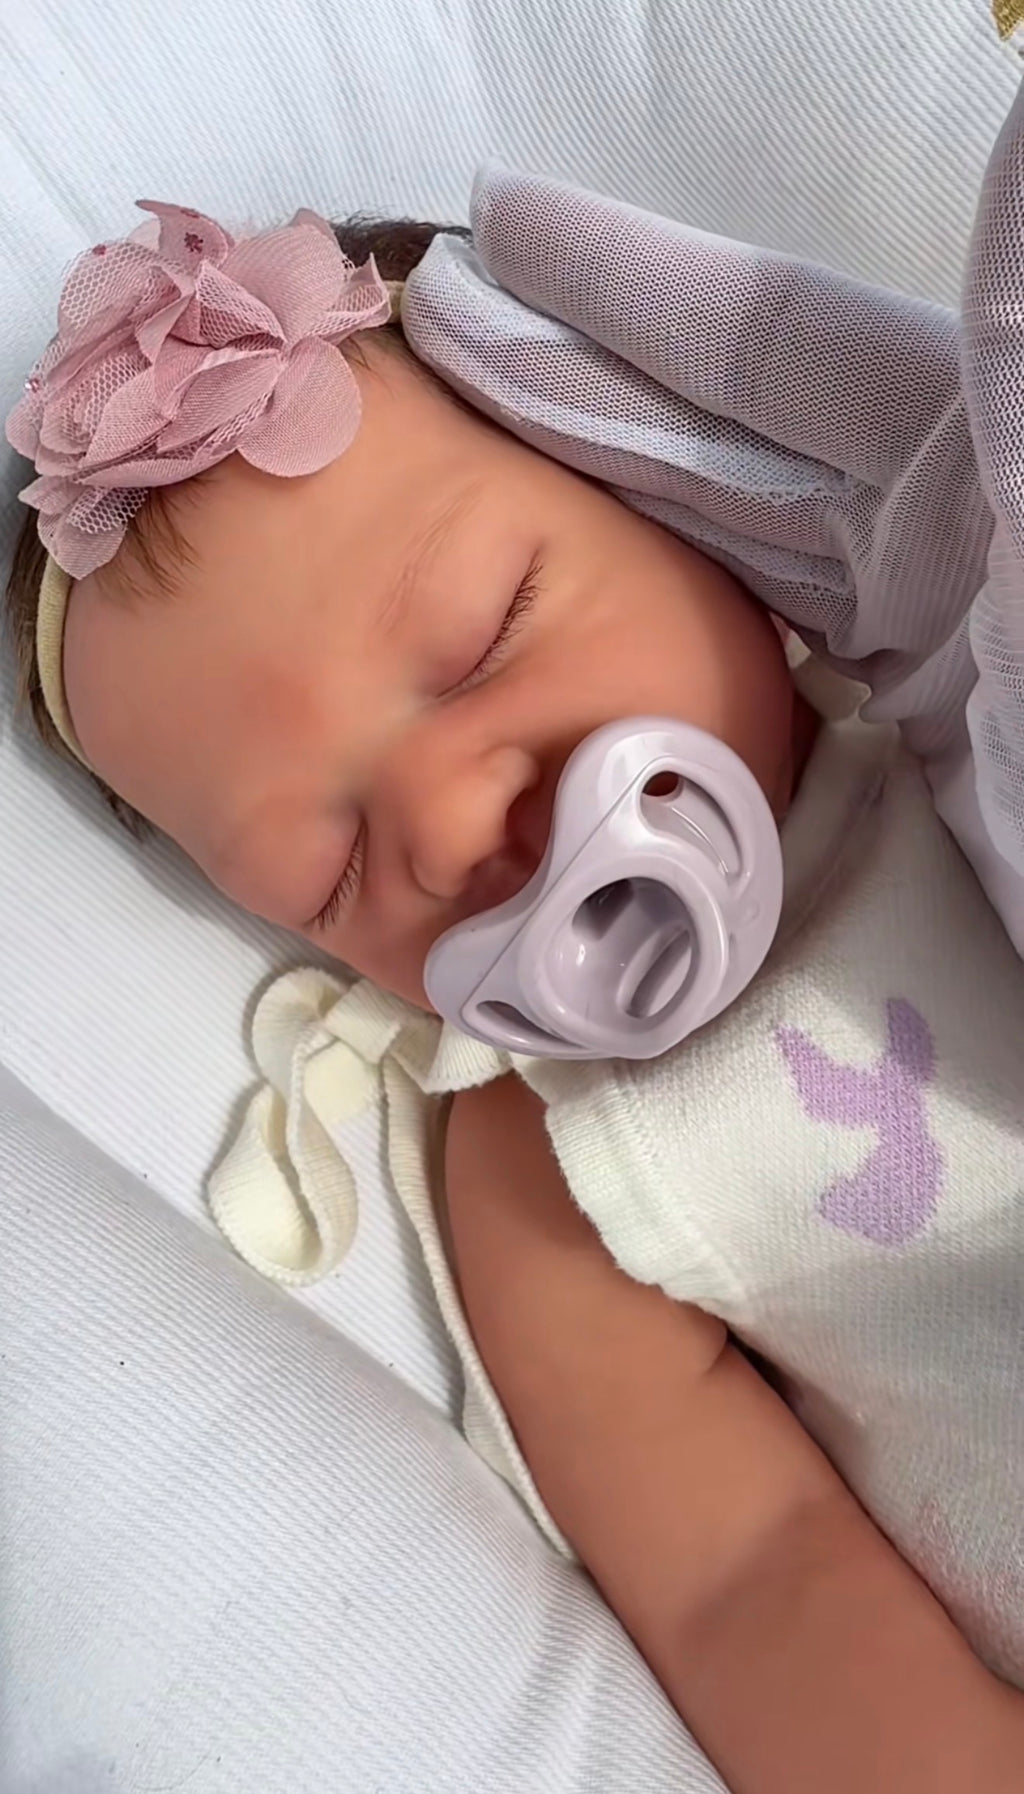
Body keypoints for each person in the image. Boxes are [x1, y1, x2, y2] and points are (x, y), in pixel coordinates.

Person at [5, 196, 1024, 1794]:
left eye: (486, 637)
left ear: (675, 496)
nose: (441, 821)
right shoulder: (545, 1159)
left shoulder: (960, 709)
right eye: (325, 869)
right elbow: (748, 1570)